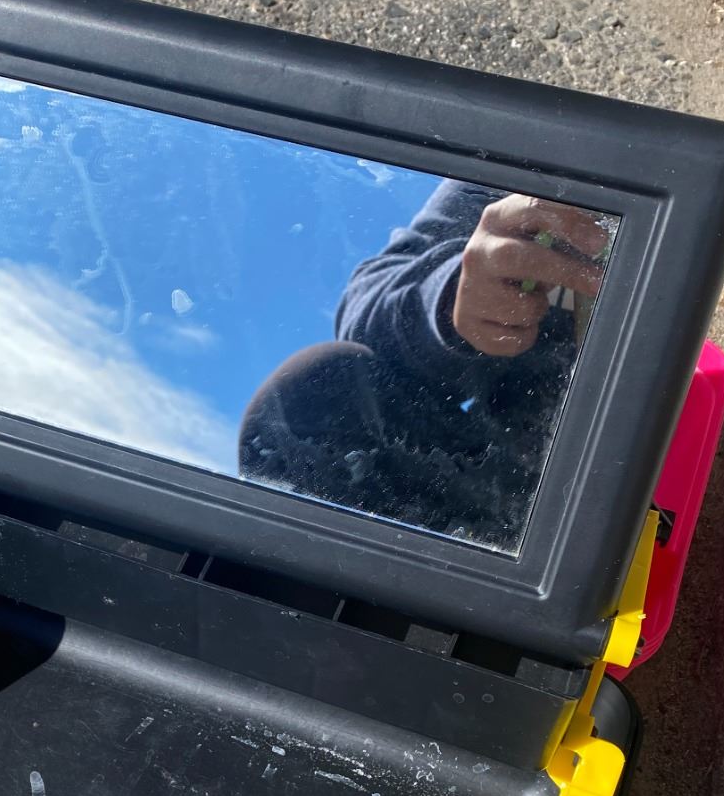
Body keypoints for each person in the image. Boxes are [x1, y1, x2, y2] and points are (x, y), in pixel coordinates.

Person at [238, 181, 608, 550]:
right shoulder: (505, 168)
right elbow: (362, 314)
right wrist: (451, 298)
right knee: (311, 393)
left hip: (585, 480)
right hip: (538, 488)